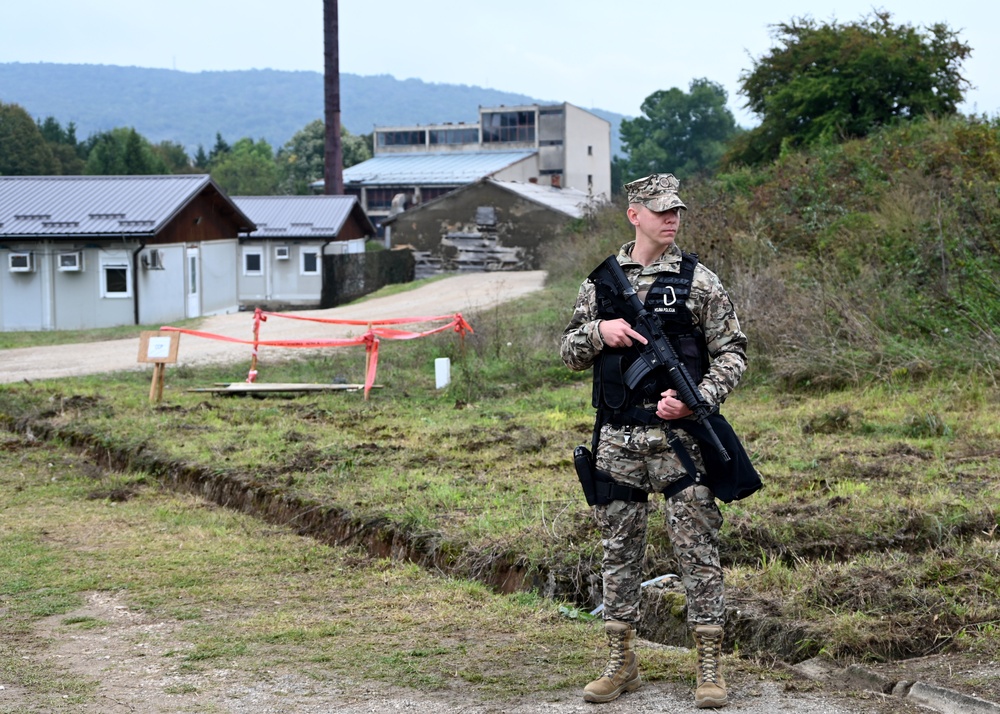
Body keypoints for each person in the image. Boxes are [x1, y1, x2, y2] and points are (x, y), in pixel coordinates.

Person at [560, 173, 750, 709]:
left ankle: (708, 665)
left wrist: (699, 399)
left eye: (677, 211)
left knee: (697, 549)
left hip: (681, 439)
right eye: (661, 210)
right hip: (618, 436)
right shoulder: (600, 284)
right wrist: (602, 333)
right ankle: (621, 662)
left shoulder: (700, 281)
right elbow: (569, 352)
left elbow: (733, 352)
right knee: (618, 549)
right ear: (634, 214)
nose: (672, 219)